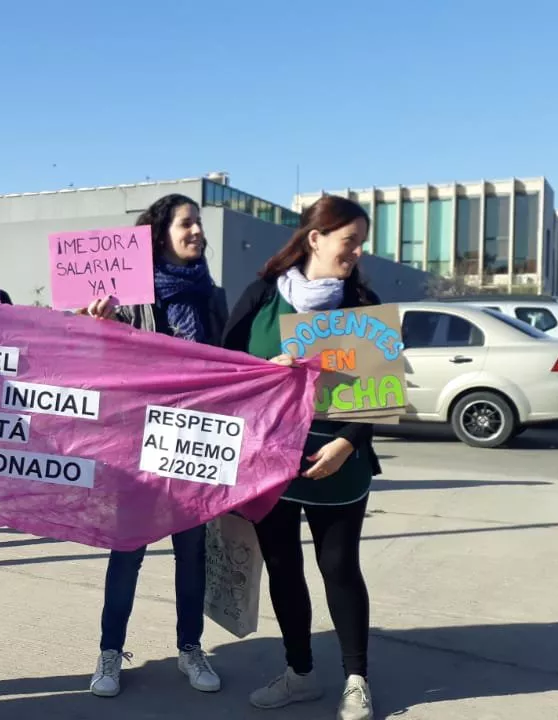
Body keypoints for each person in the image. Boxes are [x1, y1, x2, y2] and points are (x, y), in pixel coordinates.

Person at [221, 194, 379, 720]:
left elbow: (381, 388)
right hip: (270, 459)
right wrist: (268, 369)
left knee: (339, 566)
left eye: (361, 242)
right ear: (316, 238)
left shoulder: (361, 303)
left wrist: (347, 442)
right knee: (284, 568)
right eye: (349, 241)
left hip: (337, 458)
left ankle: (356, 680)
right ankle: (300, 674)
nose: (357, 252)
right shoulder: (263, 295)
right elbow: (226, 368)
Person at [84, 194, 226, 699]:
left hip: (195, 443)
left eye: (199, 223)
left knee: (192, 555)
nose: (197, 231)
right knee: (127, 553)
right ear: (161, 232)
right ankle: (109, 652)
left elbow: (232, 363)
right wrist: (103, 326)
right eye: (187, 223)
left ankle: (190, 648)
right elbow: (106, 367)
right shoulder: (130, 298)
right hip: (138, 447)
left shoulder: (212, 296)